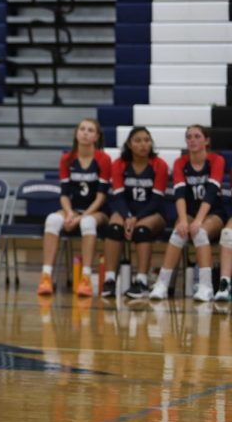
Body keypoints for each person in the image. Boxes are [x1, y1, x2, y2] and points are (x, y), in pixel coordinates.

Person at [37, 119, 112, 298]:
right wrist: (70, 213)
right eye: (82, 129)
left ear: (97, 136)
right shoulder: (67, 159)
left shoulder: (103, 159)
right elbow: (64, 194)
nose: (85, 133)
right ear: (76, 133)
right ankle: (46, 276)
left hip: (97, 211)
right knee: (52, 219)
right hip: (74, 208)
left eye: (90, 130)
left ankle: (85, 278)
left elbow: (101, 197)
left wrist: (80, 217)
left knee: (87, 222)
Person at [149, 125, 224, 302]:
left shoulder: (216, 160)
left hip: (213, 211)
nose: (192, 140)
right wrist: (183, 220)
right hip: (189, 210)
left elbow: (212, 193)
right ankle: (161, 284)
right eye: (189, 137)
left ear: (206, 140)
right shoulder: (180, 163)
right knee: (178, 233)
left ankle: (206, 287)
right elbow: (180, 195)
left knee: (200, 232)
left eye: (197, 136)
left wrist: (198, 221)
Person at [100, 127, 168, 299]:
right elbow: (118, 197)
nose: (143, 144)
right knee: (114, 228)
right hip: (126, 210)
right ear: (129, 145)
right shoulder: (119, 164)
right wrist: (128, 216)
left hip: (153, 212)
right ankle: (109, 280)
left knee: (141, 231)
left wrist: (135, 219)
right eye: (138, 140)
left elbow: (156, 200)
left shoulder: (159, 165)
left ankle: (142, 281)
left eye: (147, 140)